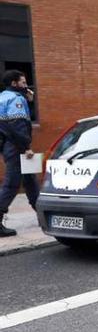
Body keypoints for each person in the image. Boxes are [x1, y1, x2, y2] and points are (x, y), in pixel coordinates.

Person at [0, 70, 39, 237]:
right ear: (15, 83)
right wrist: (26, 148)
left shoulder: (3, 97)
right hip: (17, 147)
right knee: (12, 184)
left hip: (7, 145)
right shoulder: (16, 99)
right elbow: (17, 126)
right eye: (23, 82)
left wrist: (28, 101)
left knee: (30, 181)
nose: (26, 85)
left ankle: (43, 214)